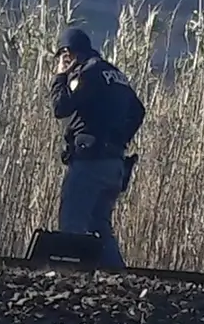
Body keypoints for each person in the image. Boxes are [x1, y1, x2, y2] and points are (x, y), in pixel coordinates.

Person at [47, 26, 147, 263]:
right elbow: (138, 111)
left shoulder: (87, 73)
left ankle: (71, 280)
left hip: (90, 162)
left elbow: (60, 107)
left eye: (64, 57)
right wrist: (119, 138)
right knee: (100, 228)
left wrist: (60, 75)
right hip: (114, 163)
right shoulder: (115, 74)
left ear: (68, 54)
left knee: (73, 223)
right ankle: (117, 279)